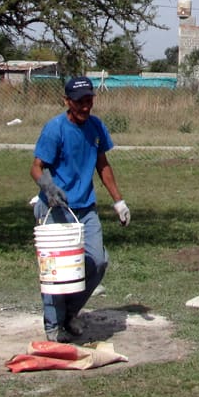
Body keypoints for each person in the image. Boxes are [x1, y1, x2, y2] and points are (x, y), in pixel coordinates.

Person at [30, 75, 131, 342]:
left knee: (98, 261)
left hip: (86, 210)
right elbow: (37, 167)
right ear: (67, 101)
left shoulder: (96, 127)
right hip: (56, 209)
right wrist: (48, 188)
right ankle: (53, 327)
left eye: (89, 101)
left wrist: (119, 201)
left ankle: (70, 313)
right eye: (79, 102)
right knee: (56, 269)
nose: (85, 107)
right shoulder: (55, 129)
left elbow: (102, 164)